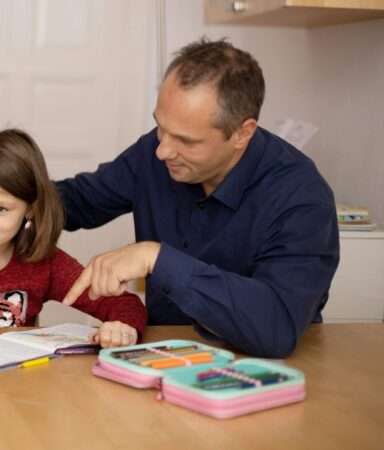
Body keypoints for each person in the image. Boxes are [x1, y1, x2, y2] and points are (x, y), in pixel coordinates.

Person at [55, 38, 339, 358]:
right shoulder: (157, 151)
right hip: (160, 361)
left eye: (186, 141)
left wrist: (157, 258)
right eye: (160, 127)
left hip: (261, 374)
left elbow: (276, 327)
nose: (162, 150)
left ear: (242, 133)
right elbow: (80, 200)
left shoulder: (301, 198)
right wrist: (6, 198)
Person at [0, 129, 147, 348]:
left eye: (0, 208)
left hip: (17, 384)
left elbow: (125, 303)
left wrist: (122, 328)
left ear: (30, 209)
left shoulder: (44, 263)